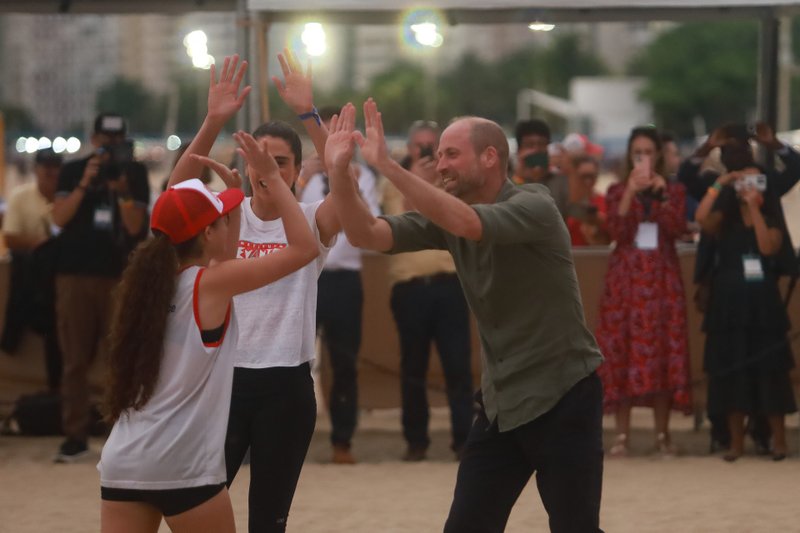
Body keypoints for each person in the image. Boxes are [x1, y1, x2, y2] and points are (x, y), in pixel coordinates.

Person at [326, 100, 604, 533]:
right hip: (502, 404)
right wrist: (340, 173)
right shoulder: (448, 217)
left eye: (450, 154)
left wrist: (389, 168)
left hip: (563, 394)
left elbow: (472, 223)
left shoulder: (535, 203)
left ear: (490, 157)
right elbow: (366, 233)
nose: (440, 165)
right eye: (437, 155)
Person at [98, 130, 319, 532]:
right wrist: (272, 176)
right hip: (182, 463)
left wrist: (215, 125)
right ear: (206, 234)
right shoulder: (211, 285)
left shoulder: (148, 283)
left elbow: (180, 208)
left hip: (123, 458)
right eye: (221, 220)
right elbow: (305, 248)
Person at [166, 51, 340, 532]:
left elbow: (346, 186)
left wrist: (309, 114)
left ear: (298, 172)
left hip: (285, 384)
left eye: (279, 163)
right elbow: (174, 193)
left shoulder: (308, 222)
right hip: (221, 379)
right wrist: (213, 120)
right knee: (200, 506)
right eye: (258, 160)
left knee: (269, 517)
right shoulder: (225, 216)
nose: (266, 171)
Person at [52, 113, 150, 462]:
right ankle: (75, 436)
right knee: (74, 359)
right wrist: (85, 182)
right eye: (104, 140)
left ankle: (118, 435)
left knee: (119, 358)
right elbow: (58, 219)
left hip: (118, 277)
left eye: (116, 140)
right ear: (93, 139)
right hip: (74, 276)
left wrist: (122, 191)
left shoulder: (134, 174)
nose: (109, 147)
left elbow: (136, 226)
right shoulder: (73, 170)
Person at [595, 126, 691, 458]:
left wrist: (662, 197)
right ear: (629, 156)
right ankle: (622, 435)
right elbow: (614, 231)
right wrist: (628, 195)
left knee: (664, 353)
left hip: (662, 281)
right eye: (638, 153)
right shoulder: (616, 190)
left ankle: (662, 435)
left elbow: (680, 229)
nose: (644, 159)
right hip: (626, 283)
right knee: (621, 353)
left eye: (649, 152)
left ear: (659, 156)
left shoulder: (674, 190)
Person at [382, 119, 473, 461]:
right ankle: (415, 442)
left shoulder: (454, 186)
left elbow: (453, 220)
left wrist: (433, 182)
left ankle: (464, 441)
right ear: (408, 149)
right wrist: (416, 182)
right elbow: (404, 218)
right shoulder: (392, 184)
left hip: (451, 284)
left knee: (458, 367)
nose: (424, 153)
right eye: (418, 146)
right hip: (409, 288)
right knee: (413, 366)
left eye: (430, 147)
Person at [694, 168, 797, 462]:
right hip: (728, 306)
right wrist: (720, 183)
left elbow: (767, 248)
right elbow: (702, 218)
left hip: (763, 306)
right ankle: (735, 443)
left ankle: (779, 441)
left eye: (755, 181)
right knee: (732, 372)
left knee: (770, 373)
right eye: (744, 181)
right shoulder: (723, 219)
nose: (748, 186)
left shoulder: (772, 220)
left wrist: (755, 206)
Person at [297, 105, 381, 464]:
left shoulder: (363, 177)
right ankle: (290, 440)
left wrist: (347, 180)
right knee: (295, 362)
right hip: (305, 279)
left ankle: (342, 441)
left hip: (344, 278)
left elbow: (367, 227)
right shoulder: (303, 177)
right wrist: (300, 181)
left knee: (344, 362)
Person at [1, 148, 63, 393]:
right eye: (45, 167)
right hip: (31, 280)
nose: (49, 172)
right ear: (36, 170)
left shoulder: (68, 198)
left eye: (54, 167)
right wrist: (42, 245)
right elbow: (11, 238)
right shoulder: (19, 197)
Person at [511, 118, 569, 217]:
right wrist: (519, 178)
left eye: (541, 144)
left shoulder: (561, 180)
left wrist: (570, 169)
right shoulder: (509, 181)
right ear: (519, 150)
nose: (536, 150)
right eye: (530, 145)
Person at [565, 155, 610, 247]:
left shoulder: (606, 202)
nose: (588, 181)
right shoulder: (563, 201)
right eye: (583, 177)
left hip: (593, 258)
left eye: (592, 176)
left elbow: (608, 240)